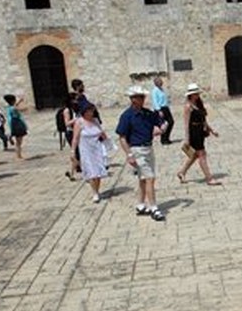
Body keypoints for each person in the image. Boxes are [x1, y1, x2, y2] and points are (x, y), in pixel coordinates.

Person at [115, 85, 167, 217]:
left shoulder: (147, 113)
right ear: (133, 99)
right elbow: (122, 137)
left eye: (143, 97)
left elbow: (160, 121)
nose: (143, 99)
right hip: (137, 150)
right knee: (150, 178)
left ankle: (140, 204)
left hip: (149, 148)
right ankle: (154, 207)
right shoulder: (127, 116)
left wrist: (162, 126)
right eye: (140, 97)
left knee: (143, 179)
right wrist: (129, 154)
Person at [177, 83, 221, 185]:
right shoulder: (188, 106)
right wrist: (187, 138)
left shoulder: (198, 104)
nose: (197, 95)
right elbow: (186, 123)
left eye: (197, 93)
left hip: (200, 131)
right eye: (195, 94)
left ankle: (182, 172)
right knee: (202, 154)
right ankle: (209, 178)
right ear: (190, 95)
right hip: (194, 132)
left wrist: (211, 130)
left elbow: (203, 120)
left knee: (194, 155)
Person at [73, 101, 110, 203]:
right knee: (91, 171)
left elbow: (101, 133)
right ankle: (94, 192)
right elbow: (75, 138)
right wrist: (73, 151)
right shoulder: (79, 122)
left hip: (97, 148)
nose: (92, 113)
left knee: (98, 171)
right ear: (84, 111)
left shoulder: (95, 121)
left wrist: (108, 143)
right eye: (90, 111)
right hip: (86, 150)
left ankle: (97, 190)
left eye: (92, 110)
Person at [151, 75, 175, 145]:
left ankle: (166, 138)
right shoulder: (155, 91)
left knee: (171, 122)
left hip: (165, 108)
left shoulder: (161, 89)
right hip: (160, 109)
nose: (161, 82)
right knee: (162, 124)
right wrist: (159, 110)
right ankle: (163, 139)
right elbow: (155, 101)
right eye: (159, 81)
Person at [3, 94, 28, 159]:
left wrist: (20, 101)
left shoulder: (9, 107)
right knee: (19, 141)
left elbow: (15, 105)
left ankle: (18, 154)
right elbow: (22, 109)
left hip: (14, 123)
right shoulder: (13, 108)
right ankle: (18, 155)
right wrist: (25, 105)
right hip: (17, 124)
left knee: (18, 141)